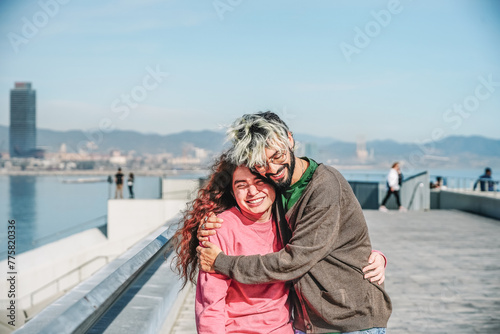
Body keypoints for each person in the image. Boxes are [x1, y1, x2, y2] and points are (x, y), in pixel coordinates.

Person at [198, 112, 391, 334]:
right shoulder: (277, 187)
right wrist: (212, 222)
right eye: (261, 164)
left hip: (350, 322)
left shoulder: (325, 186)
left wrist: (223, 263)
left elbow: (293, 260)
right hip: (308, 323)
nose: (272, 168)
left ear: (290, 139)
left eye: (277, 155)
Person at [173, 155, 294, 333]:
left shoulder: (289, 222)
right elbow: (210, 305)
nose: (252, 191)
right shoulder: (219, 228)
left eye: (259, 181)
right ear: (232, 192)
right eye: (241, 185)